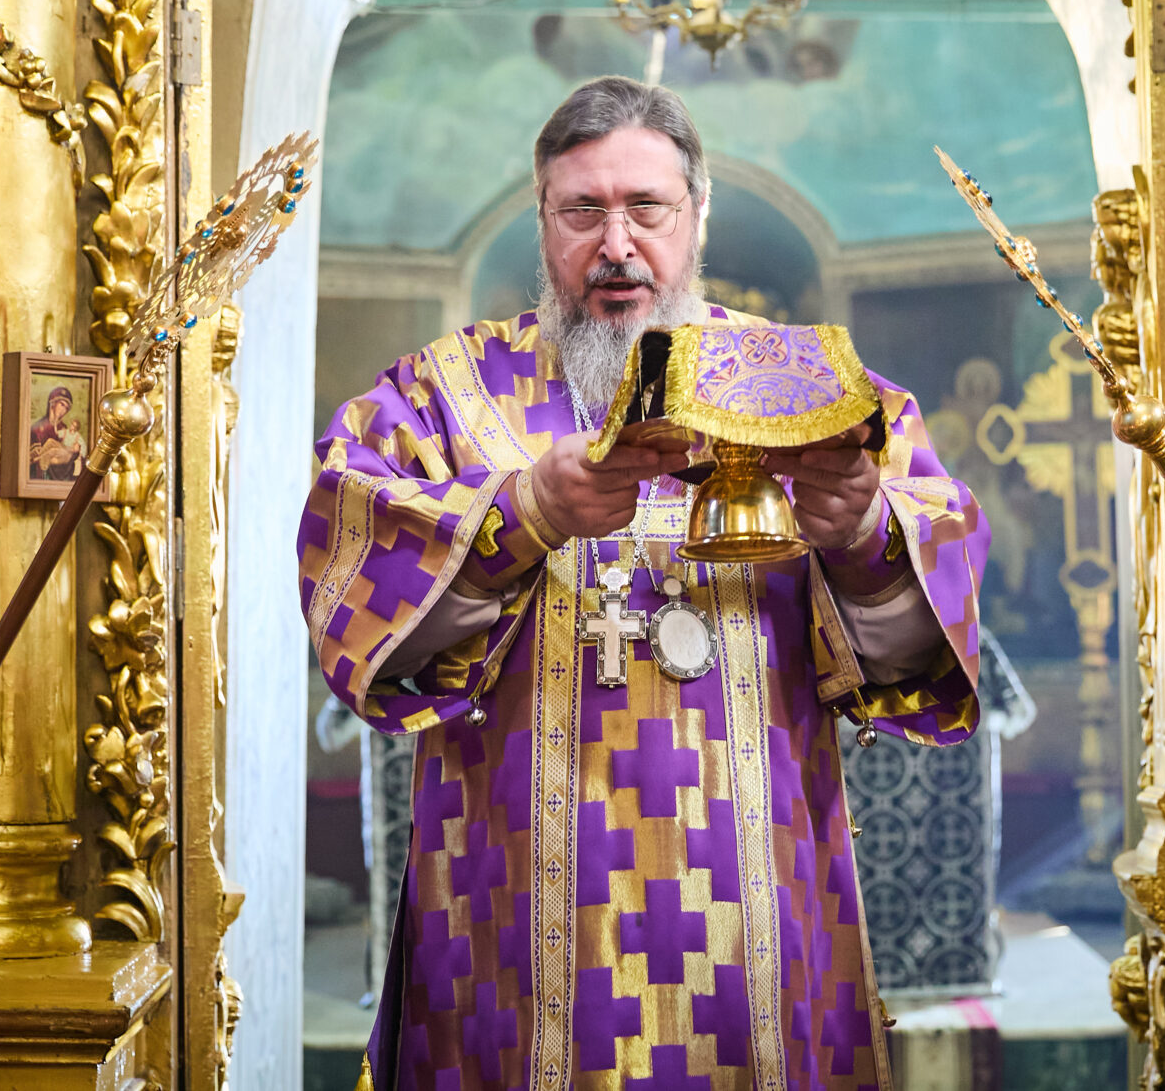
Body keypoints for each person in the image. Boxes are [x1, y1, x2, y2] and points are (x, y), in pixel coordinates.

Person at [300, 76, 987, 1090]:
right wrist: (526, 510)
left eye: (645, 209)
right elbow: (346, 566)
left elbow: (937, 602)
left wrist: (862, 533)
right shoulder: (439, 398)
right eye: (581, 210)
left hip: (761, 923)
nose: (614, 245)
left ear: (698, 212)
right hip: (508, 925)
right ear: (542, 216)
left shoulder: (811, 391)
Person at [28, 384, 84, 482]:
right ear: (53, 403)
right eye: (62, 405)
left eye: (66, 408)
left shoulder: (64, 428)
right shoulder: (37, 428)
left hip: (61, 476)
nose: (63, 410)